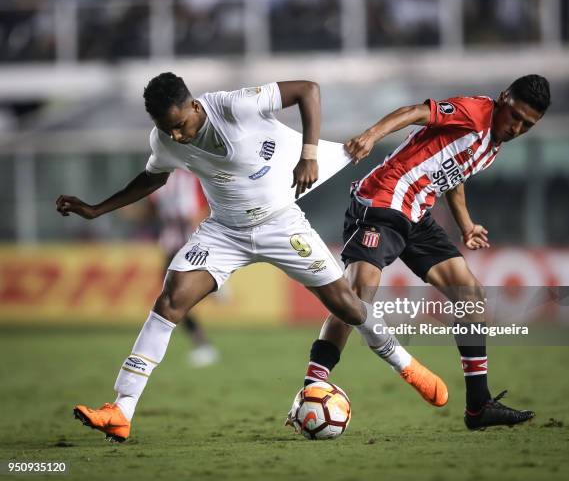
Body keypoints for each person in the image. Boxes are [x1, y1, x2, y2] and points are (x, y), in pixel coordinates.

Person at [56, 73, 447, 442]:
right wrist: (97, 209)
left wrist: (309, 153)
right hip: (224, 232)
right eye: (165, 128)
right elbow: (153, 177)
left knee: (348, 305)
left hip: (282, 225)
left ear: (193, 107)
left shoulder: (231, 107)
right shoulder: (165, 139)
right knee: (169, 301)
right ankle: (122, 409)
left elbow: (307, 90)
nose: (175, 134)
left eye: (179, 124)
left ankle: (406, 366)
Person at [298, 74, 551, 430]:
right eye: (516, 116)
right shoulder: (476, 111)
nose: (518, 128)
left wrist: (465, 225)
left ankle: (479, 405)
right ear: (504, 98)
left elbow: (454, 173)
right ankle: (313, 385)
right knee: (356, 297)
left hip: (416, 213)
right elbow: (415, 112)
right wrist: (371, 136)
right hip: (383, 201)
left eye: (528, 124)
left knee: (469, 293)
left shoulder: (492, 143)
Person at [148, 169, 219, 367]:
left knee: (173, 298)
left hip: (188, 244)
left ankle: (203, 344)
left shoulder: (191, 177)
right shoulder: (164, 177)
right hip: (172, 245)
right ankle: (213, 286)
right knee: (173, 299)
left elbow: (202, 209)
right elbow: (153, 207)